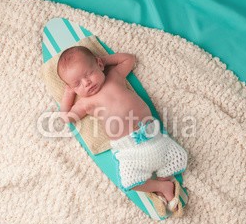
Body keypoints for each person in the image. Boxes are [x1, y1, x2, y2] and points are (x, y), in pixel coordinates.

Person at [57, 46, 187, 212]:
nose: (86, 82)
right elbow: (66, 118)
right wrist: (68, 93)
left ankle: (166, 183)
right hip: (129, 149)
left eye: (89, 73)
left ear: (99, 64)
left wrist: (104, 60)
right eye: (77, 83)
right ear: (73, 88)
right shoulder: (84, 103)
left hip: (151, 135)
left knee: (170, 159)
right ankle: (161, 187)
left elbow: (129, 58)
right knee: (131, 182)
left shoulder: (114, 76)